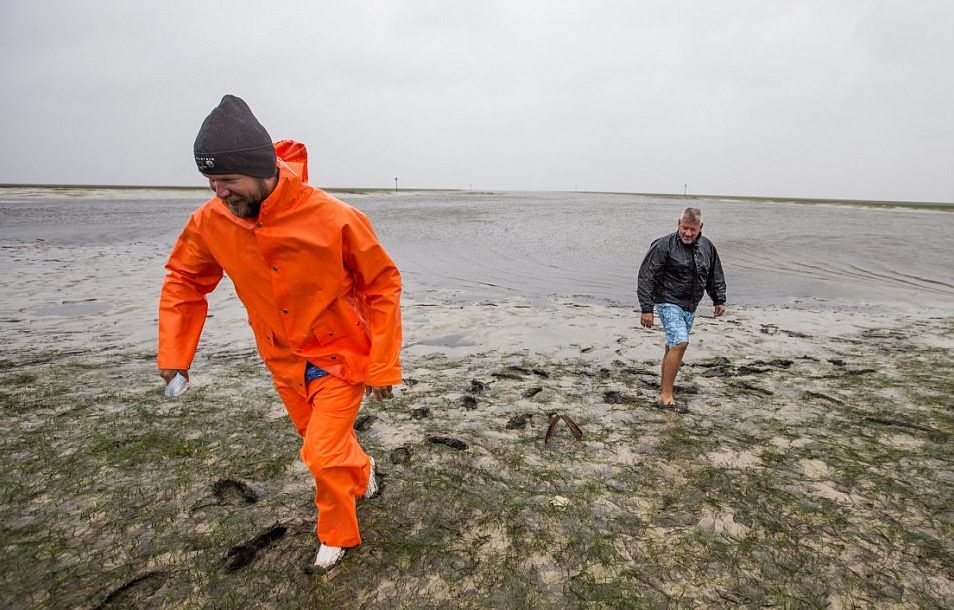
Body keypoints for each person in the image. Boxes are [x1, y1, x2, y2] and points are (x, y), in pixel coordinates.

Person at [157, 95, 403, 570]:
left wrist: (384, 365)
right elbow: (185, 281)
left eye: (228, 180)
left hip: (341, 355)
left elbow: (382, 284)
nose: (219, 192)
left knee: (320, 453)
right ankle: (364, 468)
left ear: (263, 169)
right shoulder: (209, 222)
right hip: (283, 361)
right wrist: (175, 353)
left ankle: (337, 536)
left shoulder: (335, 218)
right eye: (210, 182)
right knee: (323, 445)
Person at [637, 207, 726, 412]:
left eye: (692, 230)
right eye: (684, 228)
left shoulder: (707, 247)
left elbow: (714, 275)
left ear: (700, 227)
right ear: (678, 223)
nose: (687, 233)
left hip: (690, 305)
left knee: (673, 346)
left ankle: (665, 386)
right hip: (667, 300)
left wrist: (718, 299)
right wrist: (646, 308)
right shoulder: (663, 245)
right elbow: (646, 277)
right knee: (680, 342)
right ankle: (666, 394)